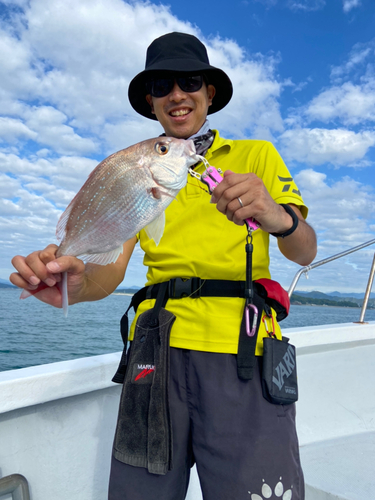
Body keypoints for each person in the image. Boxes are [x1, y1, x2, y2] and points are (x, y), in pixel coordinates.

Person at [10, 32, 317, 500]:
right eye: (161, 86)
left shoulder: (256, 156)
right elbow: (110, 270)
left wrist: (275, 215)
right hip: (154, 348)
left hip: (244, 350)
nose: (177, 94)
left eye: (190, 80)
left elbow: (305, 251)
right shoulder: (137, 169)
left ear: (209, 92)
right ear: (151, 103)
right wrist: (75, 281)